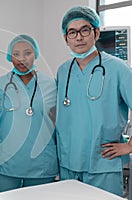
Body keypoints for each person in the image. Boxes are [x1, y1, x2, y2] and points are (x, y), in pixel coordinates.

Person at [56, 6, 132, 196]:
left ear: (96, 33)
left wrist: (130, 146)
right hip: (68, 163)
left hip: (103, 164)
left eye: (85, 30)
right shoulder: (63, 71)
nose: (79, 37)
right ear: (66, 39)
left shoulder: (118, 69)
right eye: (72, 32)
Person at [0, 34, 58, 193]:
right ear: (9, 56)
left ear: (36, 54)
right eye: (16, 54)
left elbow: (61, 119)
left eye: (27, 53)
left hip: (41, 161)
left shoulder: (51, 84)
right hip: (6, 161)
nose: (22, 59)